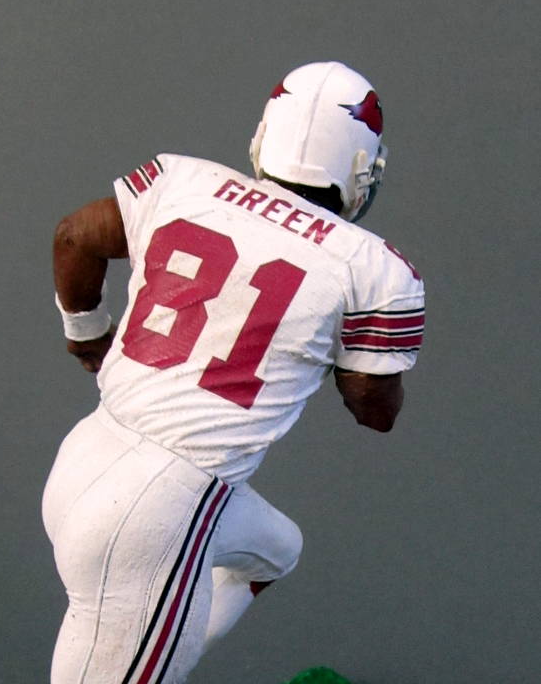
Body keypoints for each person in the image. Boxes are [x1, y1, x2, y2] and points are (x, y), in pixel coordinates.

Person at [43, 61, 425, 684]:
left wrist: (87, 335)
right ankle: (150, 646)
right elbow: (373, 409)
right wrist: (341, 353)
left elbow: (74, 235)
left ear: (264, 136)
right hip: (166, 504)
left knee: (275, 549)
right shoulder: (375, 270)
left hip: (87, 456)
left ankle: (155, 644)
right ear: (363, 169)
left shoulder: (179, 180)